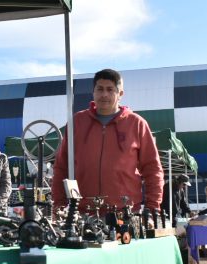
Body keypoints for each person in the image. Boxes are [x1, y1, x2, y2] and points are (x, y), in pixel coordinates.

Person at [51, 69, 163, 213]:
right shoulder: (77, 122)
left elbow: (153, 169)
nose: (104, 94)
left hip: (125, 214)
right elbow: (61, 167)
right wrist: (58, 207)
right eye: (100, 89)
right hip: (83, 215)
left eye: (110, 90)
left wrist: (152, 208)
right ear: (93, 92)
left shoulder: (137, 124)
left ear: (120, 94)